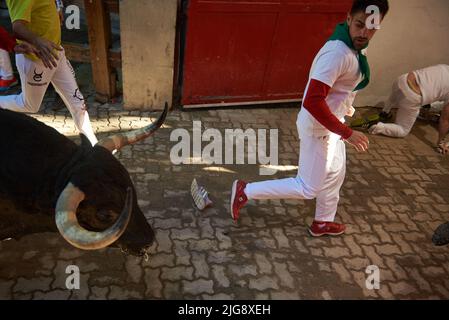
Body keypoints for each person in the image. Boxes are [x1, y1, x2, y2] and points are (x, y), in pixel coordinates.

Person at [230, 0, 389, 237]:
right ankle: (245, 190)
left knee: (335, 174)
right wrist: (348, 133)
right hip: (319, 127)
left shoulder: (355, 44)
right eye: (359, 25)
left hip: (333, 124)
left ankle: (322, 221)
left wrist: (342, 121)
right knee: (307, 187)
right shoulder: (338, 54)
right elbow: (312, 101)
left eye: (372, 27)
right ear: (348, 19)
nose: (365, 33)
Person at [0, 0, 98, 146]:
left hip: (55, 52)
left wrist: (57, 6)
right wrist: (38, 41)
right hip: (37, 58)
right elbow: (18, 27)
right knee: (29, 105)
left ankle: (94, 145)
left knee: (77, 101)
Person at [368, 65, 449, 147]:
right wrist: (440, 142)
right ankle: (374, 126)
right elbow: (445, 119)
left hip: (402, 79)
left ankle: (385, 112)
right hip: (413, 96)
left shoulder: (445, 67)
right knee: (403, 130)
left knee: (394, 97)